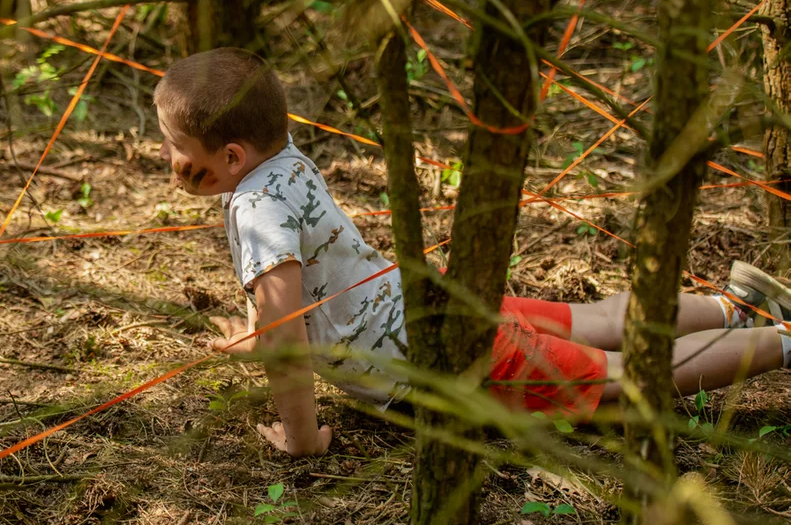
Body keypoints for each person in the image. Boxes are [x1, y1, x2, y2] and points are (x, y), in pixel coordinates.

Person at [153, 47, 791, 457]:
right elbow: (300, 291)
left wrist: (302, 438)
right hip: (430, 303)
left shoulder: (253, 205)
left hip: (434, 357)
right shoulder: (283, 157)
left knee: (629, 379)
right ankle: (735, 306)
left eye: (175, 145)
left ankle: (783, 340)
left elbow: (288, 340)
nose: (168, 158)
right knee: (595, 319)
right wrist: (262, 330)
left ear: (231, 157)